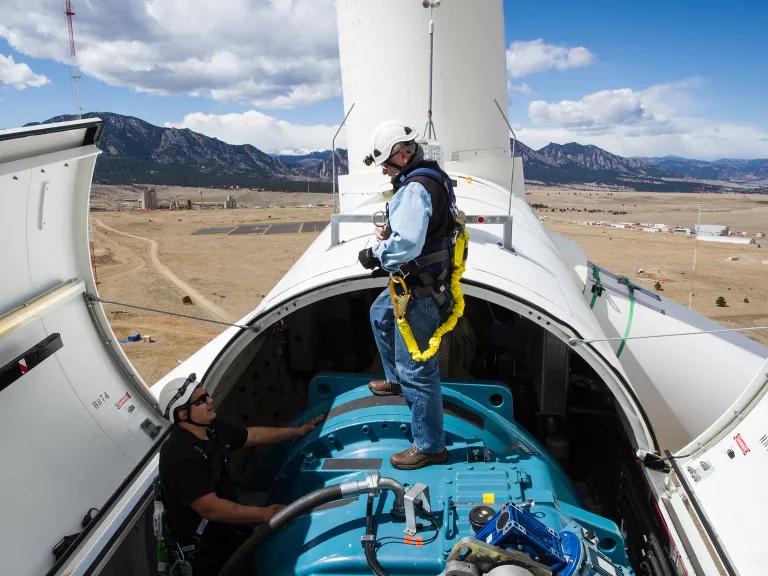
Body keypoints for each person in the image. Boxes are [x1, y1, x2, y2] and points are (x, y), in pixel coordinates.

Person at [358, 120, 457, 470]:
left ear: (403, 153)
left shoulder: (414, 190)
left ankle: (430, 446)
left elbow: (408, 244)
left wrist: (376, 254)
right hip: (414, 282)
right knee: (380, 315)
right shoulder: (429, 179)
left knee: (418, 368)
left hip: (420, 291)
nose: (384, 169)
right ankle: (396, 381)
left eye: (386, 161)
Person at [158, 374, 322, 576]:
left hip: (229, 532)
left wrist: (297, 431)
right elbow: (212, 509)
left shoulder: (211, 431)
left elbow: (253, 435)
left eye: (206, 395)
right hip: (208, 554)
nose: (210, 401)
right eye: (201, 401)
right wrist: (267, 514)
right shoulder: (181, 456)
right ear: (182, 414)